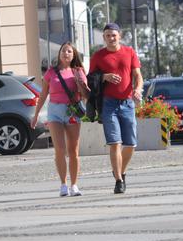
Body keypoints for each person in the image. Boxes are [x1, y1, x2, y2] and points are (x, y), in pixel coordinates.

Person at [89, 23, 143, 194]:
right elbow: (91, 79)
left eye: (113, 35)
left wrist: (137, 89)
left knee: (131, 144)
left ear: (119, 35)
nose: (111, 38)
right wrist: (104, 76)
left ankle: (122, 171)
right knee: (115, 143)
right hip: (108, 104)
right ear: (104, 37)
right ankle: (118, 180)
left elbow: (138, 76)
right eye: (107, 35)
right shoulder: (98, 56)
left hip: (127, 103)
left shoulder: (129, 52)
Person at [31, 42, 89, 197]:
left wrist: (80, 83)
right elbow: (43, 95)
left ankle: (74, 185)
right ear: (59, 54)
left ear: (73, 55)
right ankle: (63, 184)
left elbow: (85, 95)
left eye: (69, 51)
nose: (66, 53)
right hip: (55, 111)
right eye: (63, 51)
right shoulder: (51, 72)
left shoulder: (78, 71)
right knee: (60, 150)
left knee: (73, 151)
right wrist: (36, 115)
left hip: (72, 112)